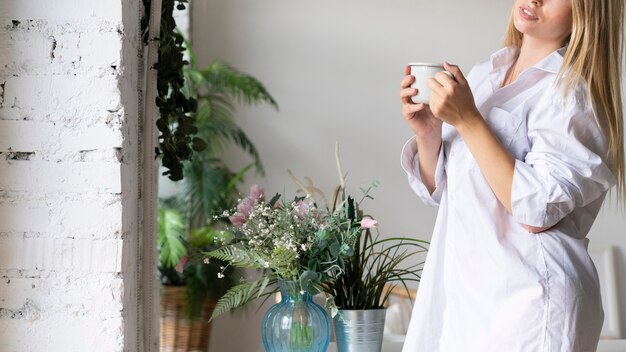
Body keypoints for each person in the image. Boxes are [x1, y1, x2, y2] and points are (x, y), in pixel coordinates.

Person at [399, 0, 624, 351]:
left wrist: (469, 120)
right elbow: (448, 194)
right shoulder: (485, 75)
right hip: (468, 303)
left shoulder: (574, 95)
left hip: (530, 309)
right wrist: (429, 135)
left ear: (588, 11)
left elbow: (535, 211)